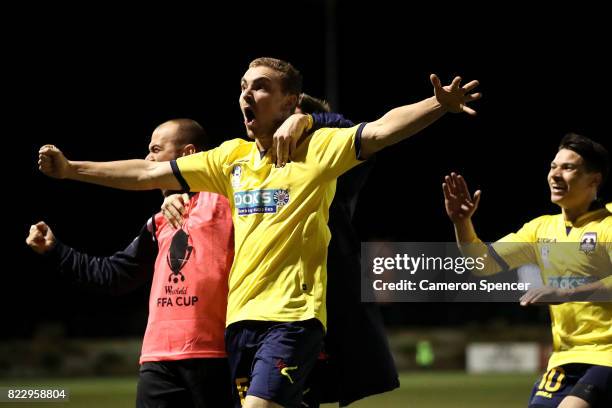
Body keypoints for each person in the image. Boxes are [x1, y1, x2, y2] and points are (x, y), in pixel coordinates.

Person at [38, 57, 480, 408]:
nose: (246, 94)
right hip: (240, 323)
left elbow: (382, 129)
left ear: (291, 103)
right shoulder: (231, 160)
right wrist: (73, 169)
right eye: (243, 87)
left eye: (261, 86)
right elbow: (145, 173)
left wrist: (438, 104)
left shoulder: (319, 150)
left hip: (294, 316)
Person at [162, 93, 399, 407]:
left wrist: (308, 119)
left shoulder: (331, 170)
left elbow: (355, 130)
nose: (282, 126)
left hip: (310, 317)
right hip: (252, 318)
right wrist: (179, 198)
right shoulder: (253, 172)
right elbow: (216, 201)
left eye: (290, 116)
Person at [27, 118, 236, 408]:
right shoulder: (159, 223)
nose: (148, 159)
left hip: (217, 357)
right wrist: (56, 250)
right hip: (157, 361)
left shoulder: (228, 202)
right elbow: (113, 276)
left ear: (188, 155)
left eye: (156, 149)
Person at [442, 133, 611, 408]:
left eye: (568, 168)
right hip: (565, 359)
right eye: (553, 166)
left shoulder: (608, 223)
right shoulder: (540, 229)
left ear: (594, 180)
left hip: (607, 355)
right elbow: (482, 263)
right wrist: (462, 223)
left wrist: (567, 292)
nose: (555, 175)